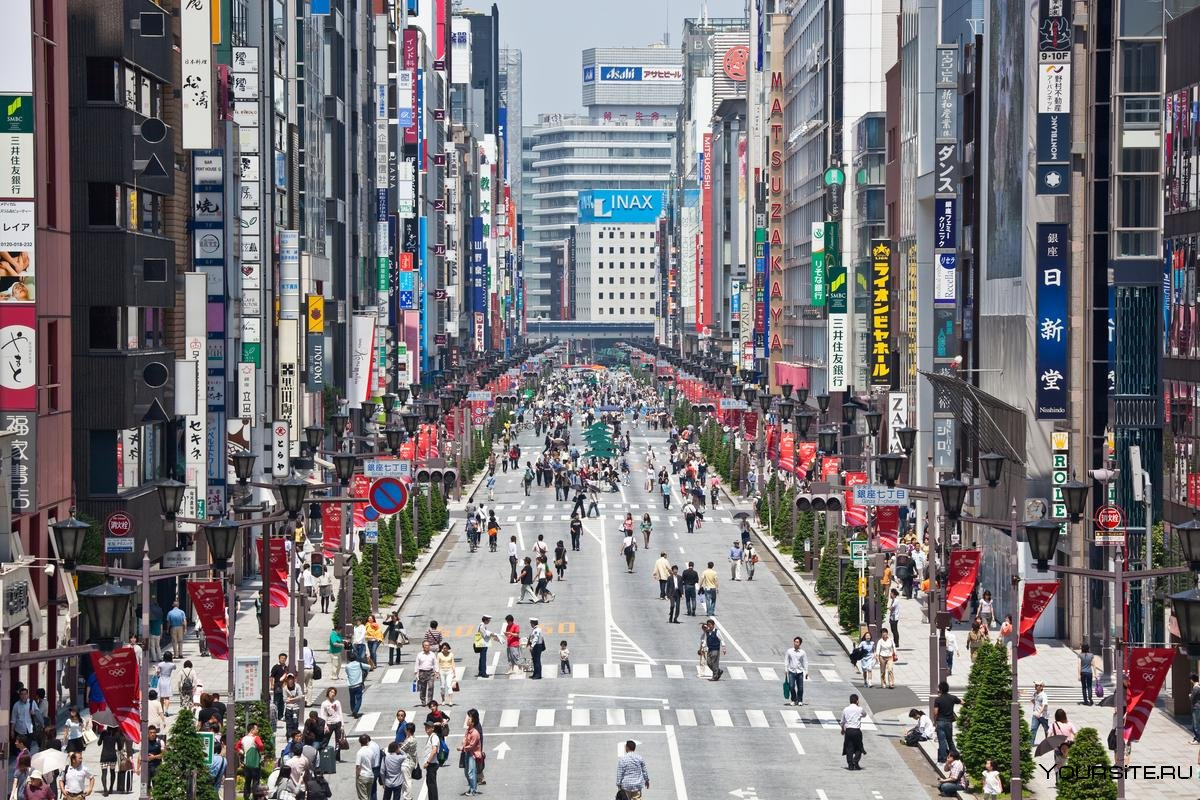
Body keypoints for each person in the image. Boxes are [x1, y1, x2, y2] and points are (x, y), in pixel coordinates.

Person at [932, 681, 961, 763]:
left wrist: (935, 722)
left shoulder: (938, 699)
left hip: (940, 722)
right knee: (949, 740)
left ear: (940, 689)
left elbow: (935, 712)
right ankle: (955, 755)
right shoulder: (952, 698)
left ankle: (944, 759)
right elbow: (962, 702)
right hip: (949, 722)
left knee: (942, 741)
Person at [236, 723, 264, 800]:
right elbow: (261, 745)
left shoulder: (243, 738)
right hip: (255, 763)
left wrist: (242, 752)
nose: (257, 730)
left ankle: (246, 797)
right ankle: (255, 797)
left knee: (247, 781)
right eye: (256, 729)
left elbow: (237, 746)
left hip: (246, 763)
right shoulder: (256, 738)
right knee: (255, 781)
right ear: (252, 730)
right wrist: (260, 751)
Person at [458, 713, 482, 796]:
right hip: (467, 753)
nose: (467, 720)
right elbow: (465, 739)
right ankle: (471, 787)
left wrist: (463, 748)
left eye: (469, 719)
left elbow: (472, 745)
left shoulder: (475, 733)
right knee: (466, 772)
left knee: (471, 772)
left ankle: (473, 790)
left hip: (473, 755)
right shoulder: (468, 730)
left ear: (472, 723)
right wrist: (462, 745)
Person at [839, 694, 866, 770]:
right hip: (857, 731)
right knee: (859, 747)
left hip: (848, 731)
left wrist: (842, 729)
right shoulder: (860, 709)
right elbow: (864, 715)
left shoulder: (845, 709)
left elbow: (842, 722)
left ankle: (850, 765)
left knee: (849, 748)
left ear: (850, 701)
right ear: (857, 701)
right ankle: (855, 761)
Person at [319, 688, 344, 761]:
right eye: (331, 692)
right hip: (329, 723)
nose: (332, 694)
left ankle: (337, 757)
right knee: (325, 740)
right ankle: (322, 754)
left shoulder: (337, 702)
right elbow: (323, 715)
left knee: (338, 740)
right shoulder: (324, 703)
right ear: (328, 693)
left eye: (334, 692)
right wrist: (325, 725)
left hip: (337, 722)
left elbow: (340, 713)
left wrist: (342, 724)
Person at [420, 720, 442, 800]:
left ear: (433, 728)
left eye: (428, 727)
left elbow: (434, 750)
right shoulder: (431, 737)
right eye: (426, 727)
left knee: (432, 785)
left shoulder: (434, 737)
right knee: (430, 784)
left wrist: (428, 762)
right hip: (431, 765)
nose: (426, 728)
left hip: (432, 764)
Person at [345, 651, 369, 718]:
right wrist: (365, 674)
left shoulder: (347, 666)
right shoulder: (359, 664)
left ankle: (353, 711)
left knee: (352, 699)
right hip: (358, 684)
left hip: (351, 685)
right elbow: (368, 666)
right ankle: (355, 711)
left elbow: (347, 673)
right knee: (359, 699)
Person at [414, 641, 437, 706]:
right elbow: (417, 664)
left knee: (431, 687)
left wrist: (437, 672)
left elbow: (435, 663)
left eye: (428, 645)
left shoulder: (432, 654)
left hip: (430, 672)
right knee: (423, 688)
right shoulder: (419, 654)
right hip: (422, 673)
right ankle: (423, 700)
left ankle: (429, 701)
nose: (427, 647)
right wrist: (416, 673)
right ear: (423, 647)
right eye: (426, 645)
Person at [354, 734, 377, 800]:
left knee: (363, 797)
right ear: (367, 741)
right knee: (368, 796)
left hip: (362, 776)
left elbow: (358, 767)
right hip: (370, 776)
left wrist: (357, 777)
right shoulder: (371, 751)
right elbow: (373, 764)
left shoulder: (360, 752)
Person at [269, 652, 289, 722]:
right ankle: (274, 716)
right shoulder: (276, 667)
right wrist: (272, 684)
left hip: (284, 688)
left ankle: (280, 716)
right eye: (281, 658)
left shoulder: (286, 668)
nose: (283, 660)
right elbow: (271, 676)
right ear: (279, 659)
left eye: (284, 658)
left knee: (282, 702)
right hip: (277, 686)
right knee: (276, 702)